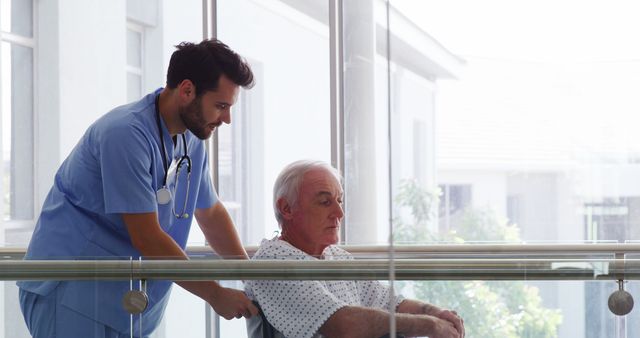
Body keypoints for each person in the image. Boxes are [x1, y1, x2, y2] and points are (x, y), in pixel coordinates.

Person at [18, 39, 259, 338]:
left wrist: (253, 276)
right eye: (220, 106)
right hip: (73, 292)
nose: (227, 119)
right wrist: (214, 294)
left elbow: (210, 213)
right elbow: (147, 237)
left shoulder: (192, 139)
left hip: (126, 305)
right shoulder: (124, 134)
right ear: (187, 91)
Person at [245, 160, 465, 338]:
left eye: (339, 201)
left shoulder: (335, 255)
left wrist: (436, 313)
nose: (339, 213)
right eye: (324, 202)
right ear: (286, 208)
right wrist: (429, 325)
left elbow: (390, 303)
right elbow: (343, 324)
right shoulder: (273, 261)